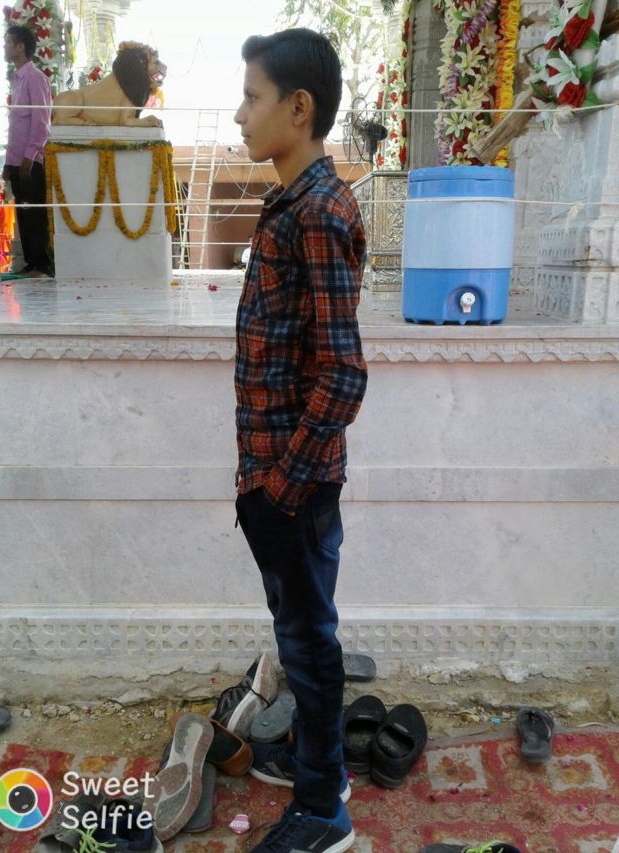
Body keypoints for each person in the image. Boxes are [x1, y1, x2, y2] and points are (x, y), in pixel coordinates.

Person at [233, 28, 368, 853]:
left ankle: (325, 810)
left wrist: (280, 488)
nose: (240, 115)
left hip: (294, 482)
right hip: (275, 475)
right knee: (299, 628)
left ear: (298, 107)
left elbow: (343, 374)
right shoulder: (291, 202)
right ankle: (321, 762)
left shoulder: (317, 211)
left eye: (252, 97)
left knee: (309, 644)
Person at [2, 25, 53, 277]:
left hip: (29, 160)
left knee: (33, 211)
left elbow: (41, 122)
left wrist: (29, 156)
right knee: (22, 211)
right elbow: (16, 125)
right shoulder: (17, 79)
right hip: (16, 159)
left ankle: (42, 264)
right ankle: (32, 262)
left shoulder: (35, 78)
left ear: (20, 46)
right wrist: (8, 162)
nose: (4, 47)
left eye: (8, 42)